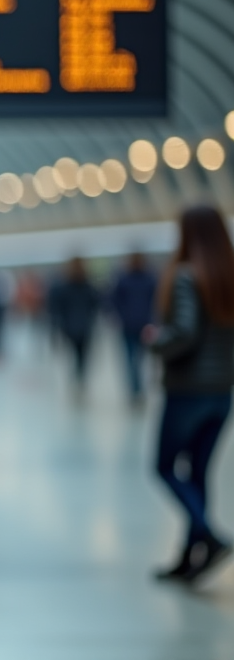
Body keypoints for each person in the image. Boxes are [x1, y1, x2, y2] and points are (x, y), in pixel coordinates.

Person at [146, 205, 234, 584]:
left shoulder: (185, 276)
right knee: (198, 473)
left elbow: (184, 332)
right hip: (222, 391)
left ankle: (209, 537)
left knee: (164, 466)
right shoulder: (228, 276)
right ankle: (189, 556)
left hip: (188, 390)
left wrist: (155, 341)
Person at [48, 257, 100, 397]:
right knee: (82, 356)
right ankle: (79, 378)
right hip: (84, 326)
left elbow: (57, 308)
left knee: (74, 355)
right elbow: (95, 303)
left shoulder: (64, 285)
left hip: (69, 327)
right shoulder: (87, 285)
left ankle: (76, 378)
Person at [110, 252, 158, 404]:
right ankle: (137, 389)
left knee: (133, 360)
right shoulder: (147, 278)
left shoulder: (126, 279)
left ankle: (136, 390)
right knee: (137, 360)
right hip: (138, 325)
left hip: (136, 325)